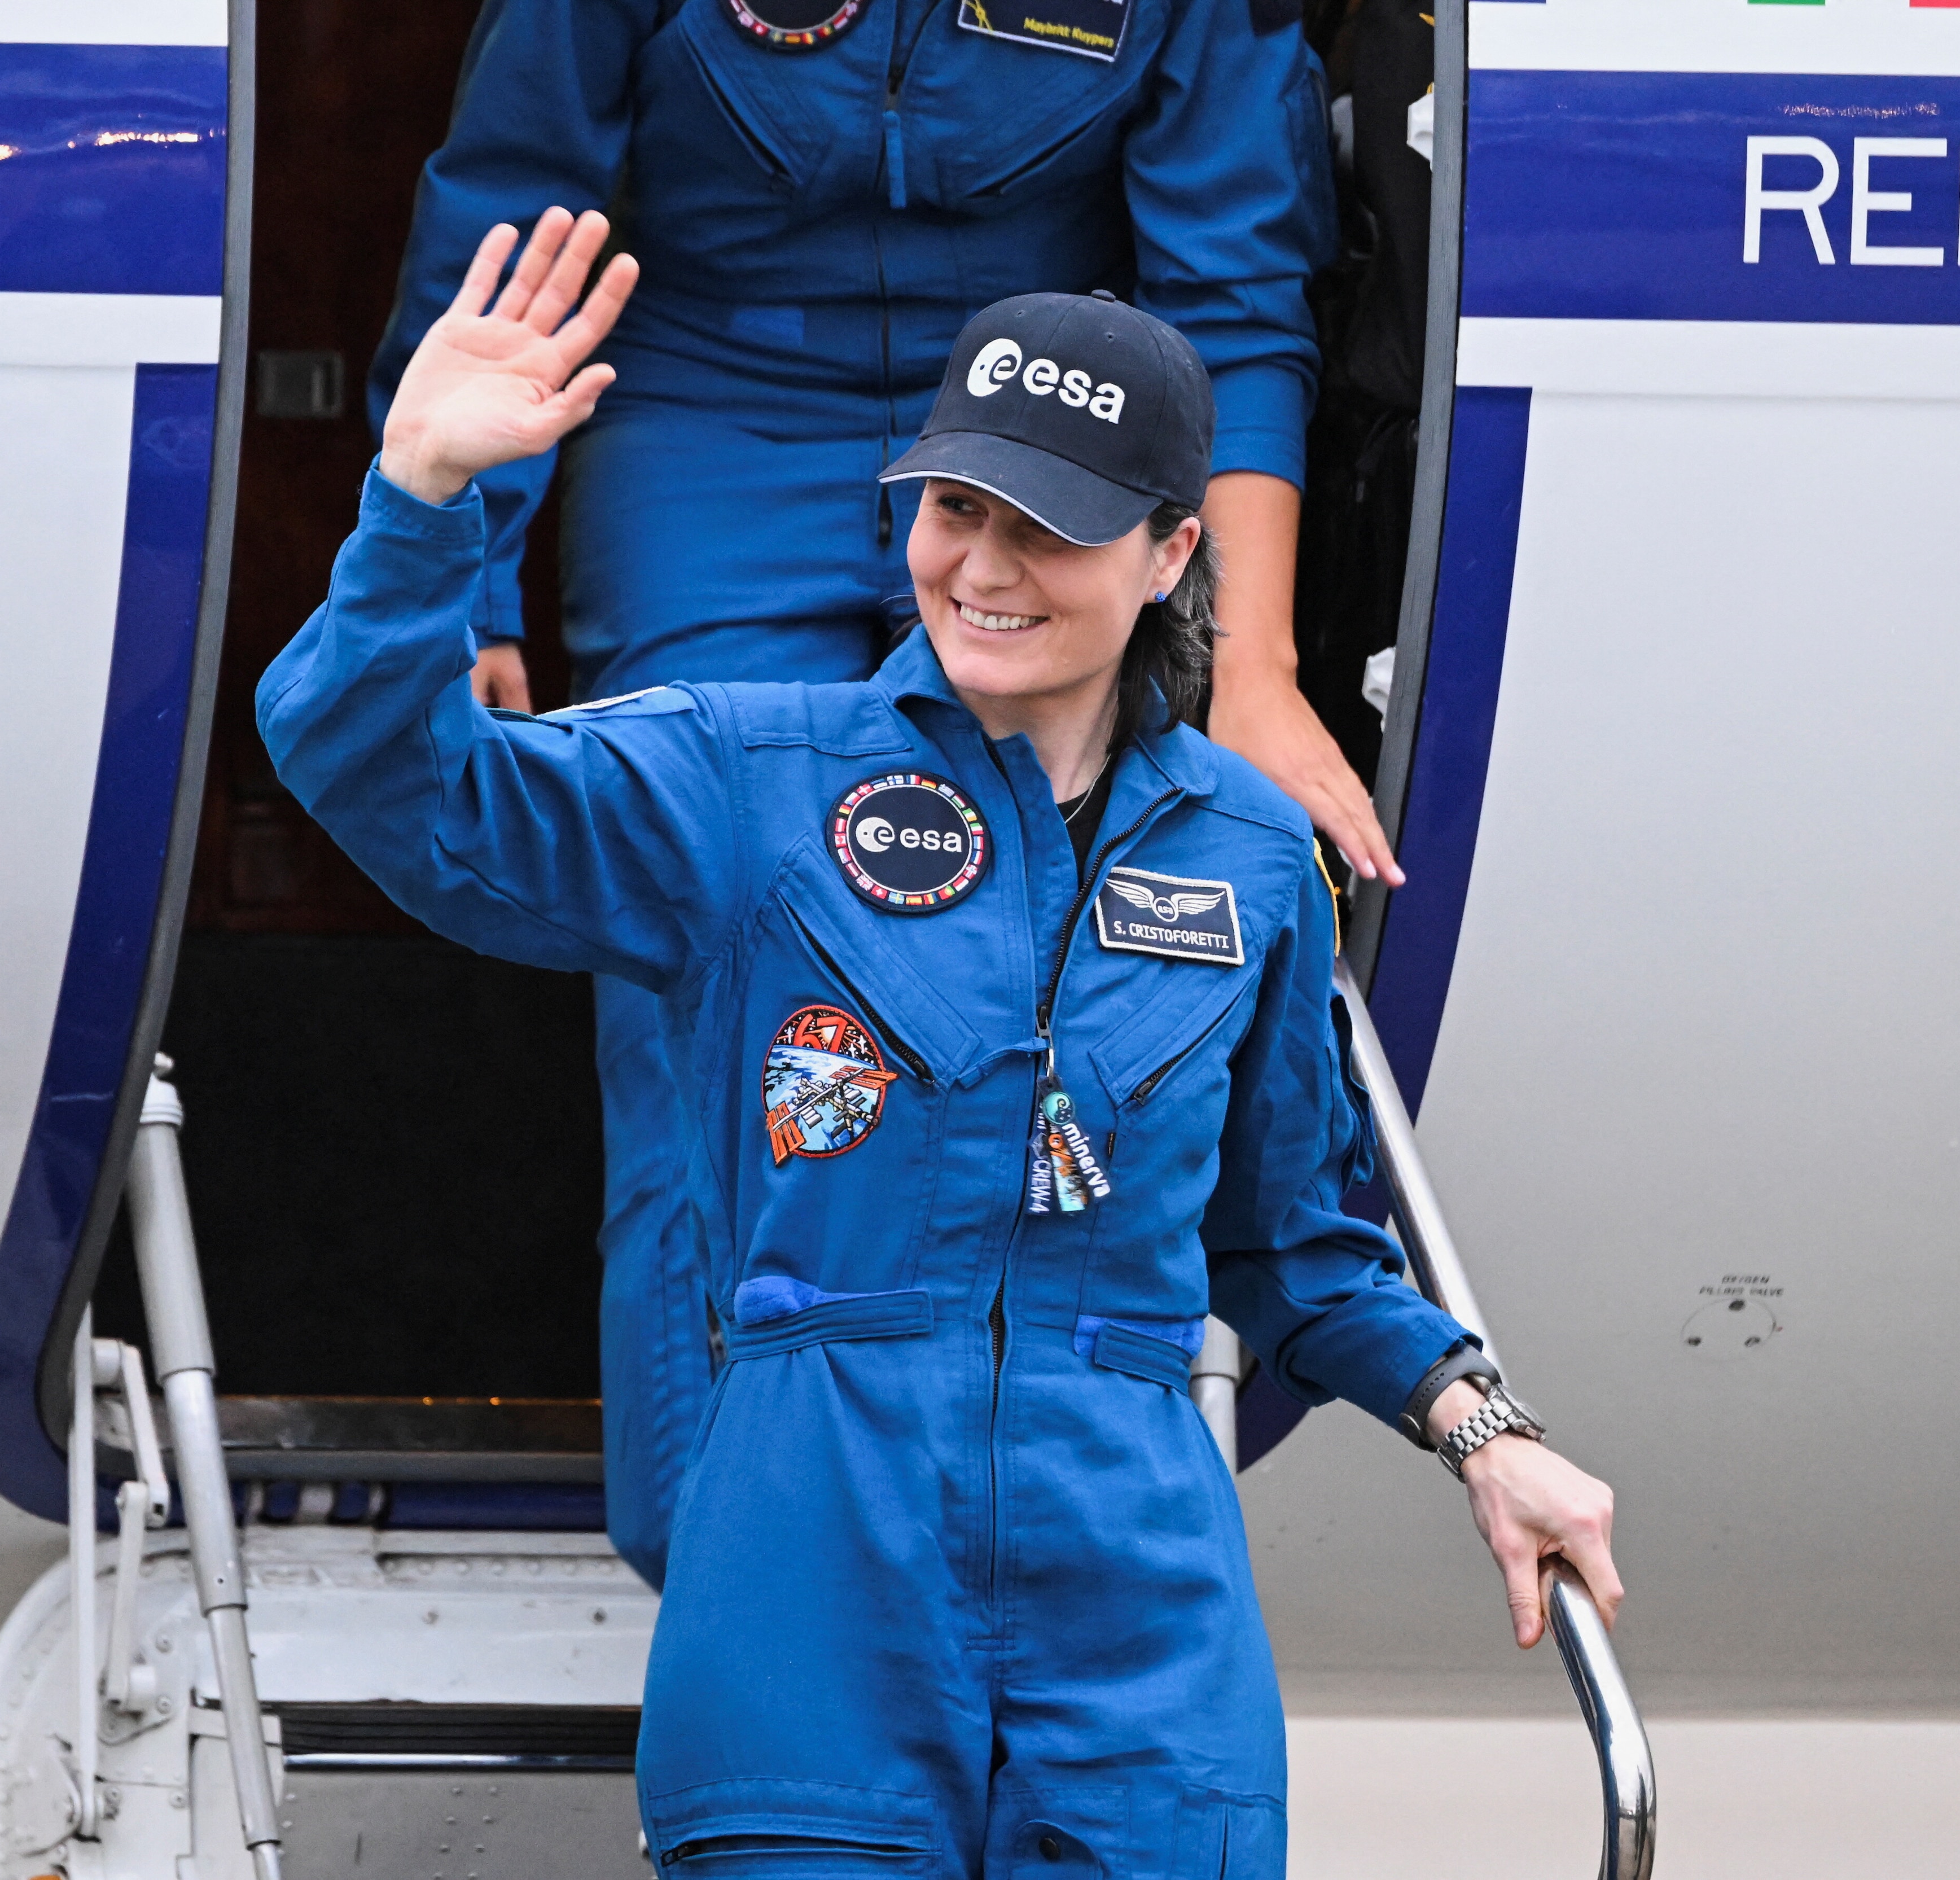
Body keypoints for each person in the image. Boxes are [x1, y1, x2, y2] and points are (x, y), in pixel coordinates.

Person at [261, 221, 1619, 1874]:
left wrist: (1486, 1427)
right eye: (955, 505)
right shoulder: (749, 773)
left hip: (1140, 1633)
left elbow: (1293, 1247)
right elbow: (386, 774)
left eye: (1048, 526)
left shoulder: (1252, 857)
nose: (981, 564)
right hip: (807, 1602)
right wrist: (417, 505)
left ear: (1172, 551)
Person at [375, 0, 1398, 1582]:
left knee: (1066, 939)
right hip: (717, 421)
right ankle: (722, 1553)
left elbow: (1236, 300)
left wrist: (1250, 665)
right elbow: (515, 239)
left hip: (1047, 448)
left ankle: (1018, 1522)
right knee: (714, 966)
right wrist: (469, 583)